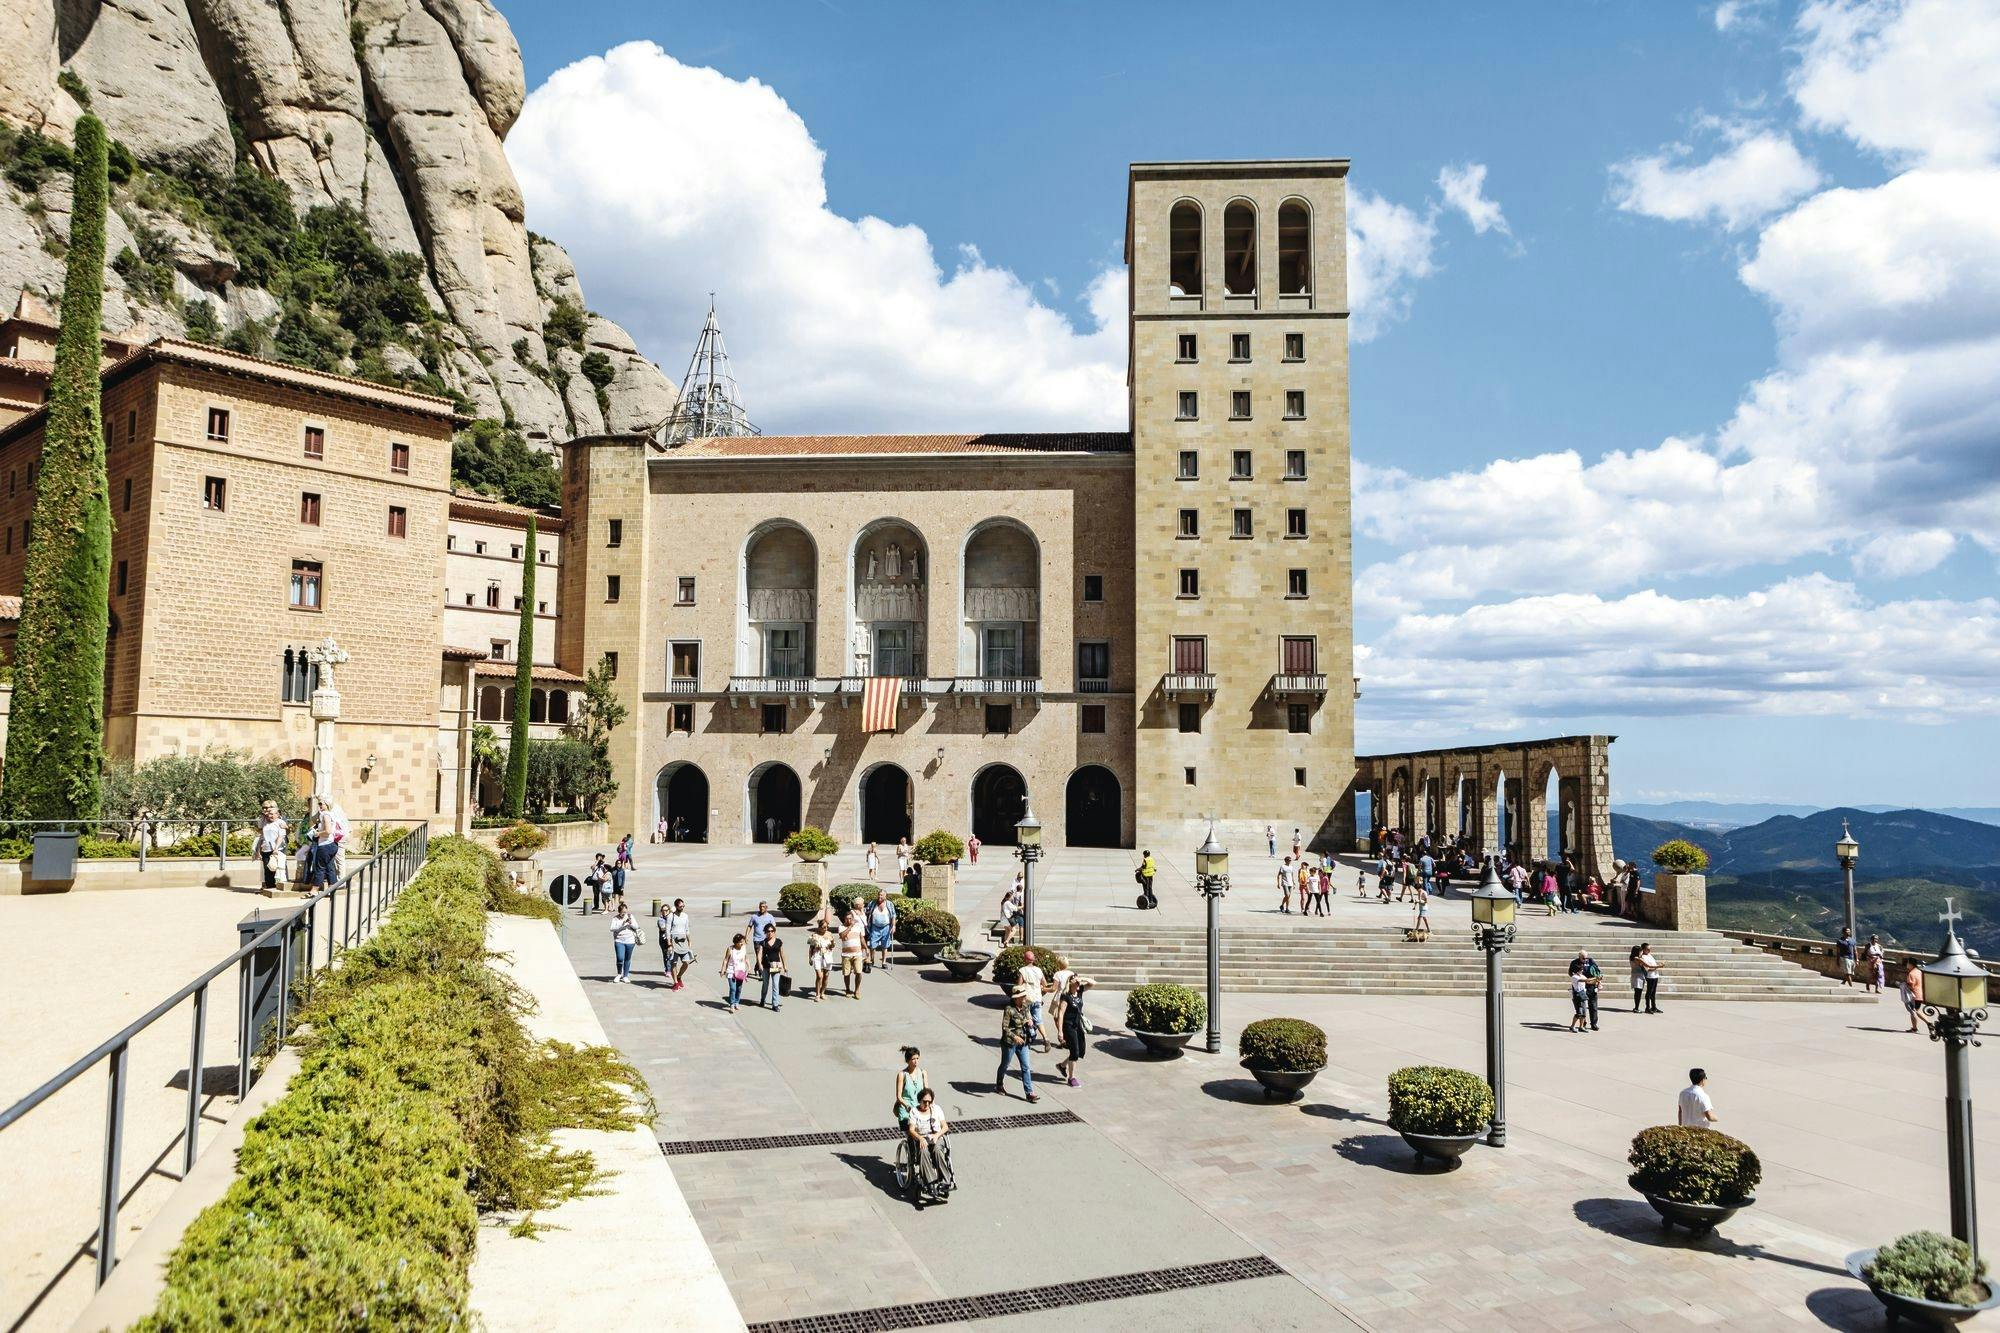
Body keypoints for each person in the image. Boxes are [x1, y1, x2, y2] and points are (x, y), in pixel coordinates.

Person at [905, 1087, 951, 1200]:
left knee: (938, 1150)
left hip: (936, 1136)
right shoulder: (914, 1112)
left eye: (929, 1102)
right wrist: (920, 1138)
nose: (927, 1104)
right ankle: (930, 1182)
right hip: (922, 1138)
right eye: (924, 1101)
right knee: (923, 1151)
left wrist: (936, 1135)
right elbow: (911, 1129)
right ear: (919, 1100)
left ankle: (946, 1181)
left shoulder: (936, 1109)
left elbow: (945, 1127)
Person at [996, 987, 1038, 1102]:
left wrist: (1030, 1022)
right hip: (1009, 1043)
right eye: (1023, 996)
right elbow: (1005, 1028)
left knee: (1026, 1067)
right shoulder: (1009, 1009)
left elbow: (1027, 1019)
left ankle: (1029, 1093)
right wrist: (1015, 1037)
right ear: (1016, 998)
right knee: (1005, 1065)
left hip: (1023, 1042)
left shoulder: (1025, 1008)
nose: (1025, 998)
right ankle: (999, 1084)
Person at [1055, 973, 1094, 1086]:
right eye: (1076, 982)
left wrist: (1082, 978)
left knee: (1080, 1051)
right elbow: (1061, 1014)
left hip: (1078, 1025)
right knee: (1075, 1052)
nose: (1078, 984)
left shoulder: (1080, 991)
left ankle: (1062, 1065)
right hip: (1068, 1026)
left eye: (1078, 983)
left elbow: (1093, 983)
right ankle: (1071, 1078)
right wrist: (1060, 1031)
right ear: (1070, 983)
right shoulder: (1065, 996)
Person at [1016, 949, 1049, 1050]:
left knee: (1026, 1019)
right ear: (1033, 960)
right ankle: (1046, 1039)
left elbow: (1018, 986)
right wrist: (1040, 991)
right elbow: (1045, 984)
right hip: (1037, 998)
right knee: (1039, 1020)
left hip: (1026, 999)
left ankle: (1029, 1037)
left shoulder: (1022, 970)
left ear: (1025, 959)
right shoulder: (1039, 970)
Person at [254, 799, 287, 895]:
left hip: (277, 847)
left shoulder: (280, 819)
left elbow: (284, 833)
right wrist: (258, 850)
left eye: (267, 808)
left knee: (277, 868)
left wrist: (276, 847)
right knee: (267, 868)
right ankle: (268, 887)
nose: (265, 810)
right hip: (266, 846)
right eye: (263, 808)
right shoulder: (264, 819)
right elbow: (260, 832)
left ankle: (276, 887)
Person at [659, 898, 692, 988]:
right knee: (674, 963)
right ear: (676, 906)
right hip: (674, 941)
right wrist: (669, 944)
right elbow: (667, 931)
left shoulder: (685, 916)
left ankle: (679, 976)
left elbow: (687, 929)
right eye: (680, 906)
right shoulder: (671, 916)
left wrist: (689, 941)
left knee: (686, 962)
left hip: (683, 941)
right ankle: (676, 982)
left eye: (683, 906)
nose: (682, 907)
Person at [893, 1046, 929, 1125]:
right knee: (912, 1134)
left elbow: (927, 1093)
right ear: (907, 1061)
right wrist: (907, 1107)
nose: (916, 1061)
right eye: (913, 1059)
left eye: (917, 1058)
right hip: (906, 1112)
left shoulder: (923, 1073)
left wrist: (931, 1105)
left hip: (919, 1111)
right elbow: (899, 1097)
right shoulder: (902, 1075)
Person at [1569, 948, 1602, 1031]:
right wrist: (1576, 978)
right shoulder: (1574, 963)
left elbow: (1598, 971)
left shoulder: (1591, 961)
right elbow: (1570, 973)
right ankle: (1582, 1023)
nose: (1585, 960)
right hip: (1580, 987)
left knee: (1593, 1005)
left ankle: (1594, 1024)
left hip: (1591, 985)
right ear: (1579, 956)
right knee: (1581, 1007)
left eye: (1586, 958)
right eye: (1583, 958)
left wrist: (1599, 982)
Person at [609, 901, 641, 982]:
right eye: (622, 913)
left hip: (630, 941)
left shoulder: (630, 916)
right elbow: (612, 928)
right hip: (619, 940)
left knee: (627, 958)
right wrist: (622, 924)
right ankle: (619, 974)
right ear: (619, 912)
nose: (624, 914)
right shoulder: (615, 918)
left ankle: (625, 975)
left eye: (625, 912)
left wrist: (631, 923)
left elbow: (636, 926)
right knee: (620, 958)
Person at [867, 890, 898, 971]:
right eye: (879, 895)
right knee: (872, 945)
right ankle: (872, 960)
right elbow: (867, 912)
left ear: (885, 896)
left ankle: (884, 962)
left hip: (886, 927)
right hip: (875, 927)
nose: (879, 897)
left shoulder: (889, 904)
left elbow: (893, 916)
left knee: (885, 945)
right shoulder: (872, 903)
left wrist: (893, 925)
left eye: (881, 895)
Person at [839, 909, 867, 998]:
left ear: (853, 918)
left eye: (850, 918)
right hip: (846, 955)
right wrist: (850, 926)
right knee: (846, 974)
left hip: (857, 954)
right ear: (844, 919)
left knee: (859, 972)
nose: (849, 920)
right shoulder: (841, 927)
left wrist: (866, 948)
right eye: (847, 919)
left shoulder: (858, 927)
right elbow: (842, 935)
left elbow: (861, 938)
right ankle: (847, 989)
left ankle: (857, 990)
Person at [758, 929, 787, 1011]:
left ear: (774, 932)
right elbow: (759, 954)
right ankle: (763, 999)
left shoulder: (778, 942)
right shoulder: (763, 942)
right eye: (768, 931)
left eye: (771, 931)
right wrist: (760, 964)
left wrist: (785, 966)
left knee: (775, 985)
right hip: (766, 966)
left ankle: (775, 1004)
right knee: (765, 984)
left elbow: (782, 954)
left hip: (775, 966)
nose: (770, 932)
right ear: (765, 933)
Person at [808, 917, 836, 1001]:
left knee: (826, 976)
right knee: (819, 976)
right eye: (823, 927)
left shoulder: (829, 934)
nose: (825, 929)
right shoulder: (814, 935)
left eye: (827, 927)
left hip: (827, 956)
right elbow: (811, 948)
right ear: (819, 927)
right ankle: (817, 994)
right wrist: (810, 958)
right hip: (817, 956)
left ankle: (822, 993)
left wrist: (832, 945)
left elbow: (832, 946)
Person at [720, 933, 749, 1012]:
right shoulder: (730, 949)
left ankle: (737, 1002)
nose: (742, 943)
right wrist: (723, 970)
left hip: (740, 971)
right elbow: (726, 960)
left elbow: (746, 958)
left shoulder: (744, 948)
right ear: (735, 942)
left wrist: (749, 967)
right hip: (731, 971)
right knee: (733, 988)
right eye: (740, 942)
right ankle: (732, 1004)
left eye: (742, 942)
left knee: (739, 988)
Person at [747, 900, 778, 975]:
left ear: (766, 908)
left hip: (766, 939)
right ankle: (761, 972)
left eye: (763, 907)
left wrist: (773, 938)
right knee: (759, 955)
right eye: (760, 907)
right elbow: (749, 926)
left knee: (764, 956)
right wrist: (746, 936)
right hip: (757, 939)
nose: (762, 908)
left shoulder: (770, 917)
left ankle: (757, 967)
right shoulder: (754, 916)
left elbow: (774, 928)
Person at [1000, 877, 1025, 947]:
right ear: (1009, 897)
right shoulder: (1007, 903)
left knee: (1007, 931)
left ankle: (1006, 944)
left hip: (1002, 919)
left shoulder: (1003, 902)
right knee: (1014, 930)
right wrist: (1022, 907)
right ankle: (1006, 941)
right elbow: (1015, 908)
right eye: (1011, 897)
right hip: (1007, 919)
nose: (1012, 898)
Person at [1903, 960, 1926, 1034]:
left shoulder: (1911, 974)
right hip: (1920, 994)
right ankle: (1929, 1023)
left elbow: (1911, 986)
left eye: (1908, 963)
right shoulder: (1919, 972)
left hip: (1913, 995)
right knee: (1917, 1011)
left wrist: (1904, 985)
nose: (1907, 965)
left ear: (1911, 964)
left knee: (1913, 1012)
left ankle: (1915, 1028)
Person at [1638, 942, 1662, 1013]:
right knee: (1649, 992)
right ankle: (1647, 1007)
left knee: (1653, 992)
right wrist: (1657, 967)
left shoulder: (1649, 955)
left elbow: (1653, 964)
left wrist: (1658, 966)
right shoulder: (1642, 957)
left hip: (1655, 975)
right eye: (1647, 949)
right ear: (1643, 949)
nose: (1649, 950)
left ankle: (1654, 1007)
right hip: (1650, 976)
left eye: (1650, 949)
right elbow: (1647, 968)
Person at [1629, 945, 1647, 1014]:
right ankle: (1636, 1008)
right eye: (1641, 951)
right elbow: (1645, 965)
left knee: (1637, 992)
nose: (1642, 952)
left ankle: (1636, 1007)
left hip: (1637, 976)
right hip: (1638, 977)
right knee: (1638, 993)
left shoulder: (1632, 957)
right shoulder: (1636, 958)